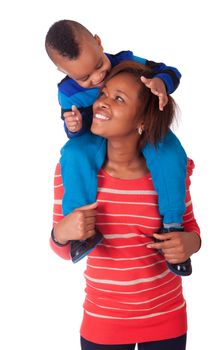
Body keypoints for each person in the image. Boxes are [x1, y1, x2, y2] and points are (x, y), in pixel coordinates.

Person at [51, 61, 201, 350]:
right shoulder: (73, 171)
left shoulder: (167, 174)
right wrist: (61, 233)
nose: (102, 103)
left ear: (142, 121)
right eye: (104, 94)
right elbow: (61, 249)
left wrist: (188, 244)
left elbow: (192, 230)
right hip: (103, 323)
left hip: (166, 319)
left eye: (118, 99)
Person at [45, 20, 189, 275]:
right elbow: (72, 131)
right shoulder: (66, 92)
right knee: (74, 153)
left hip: (140, 128)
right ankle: (81, 227)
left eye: (100, 66)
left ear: (99, 43)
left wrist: (161, 83)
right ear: (62, 70)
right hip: (94, 135)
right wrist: (75, 125)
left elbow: (170, 71)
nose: (99, 78)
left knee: (170, 153)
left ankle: (172, 223)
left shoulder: (127, 62)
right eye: (86, 79)